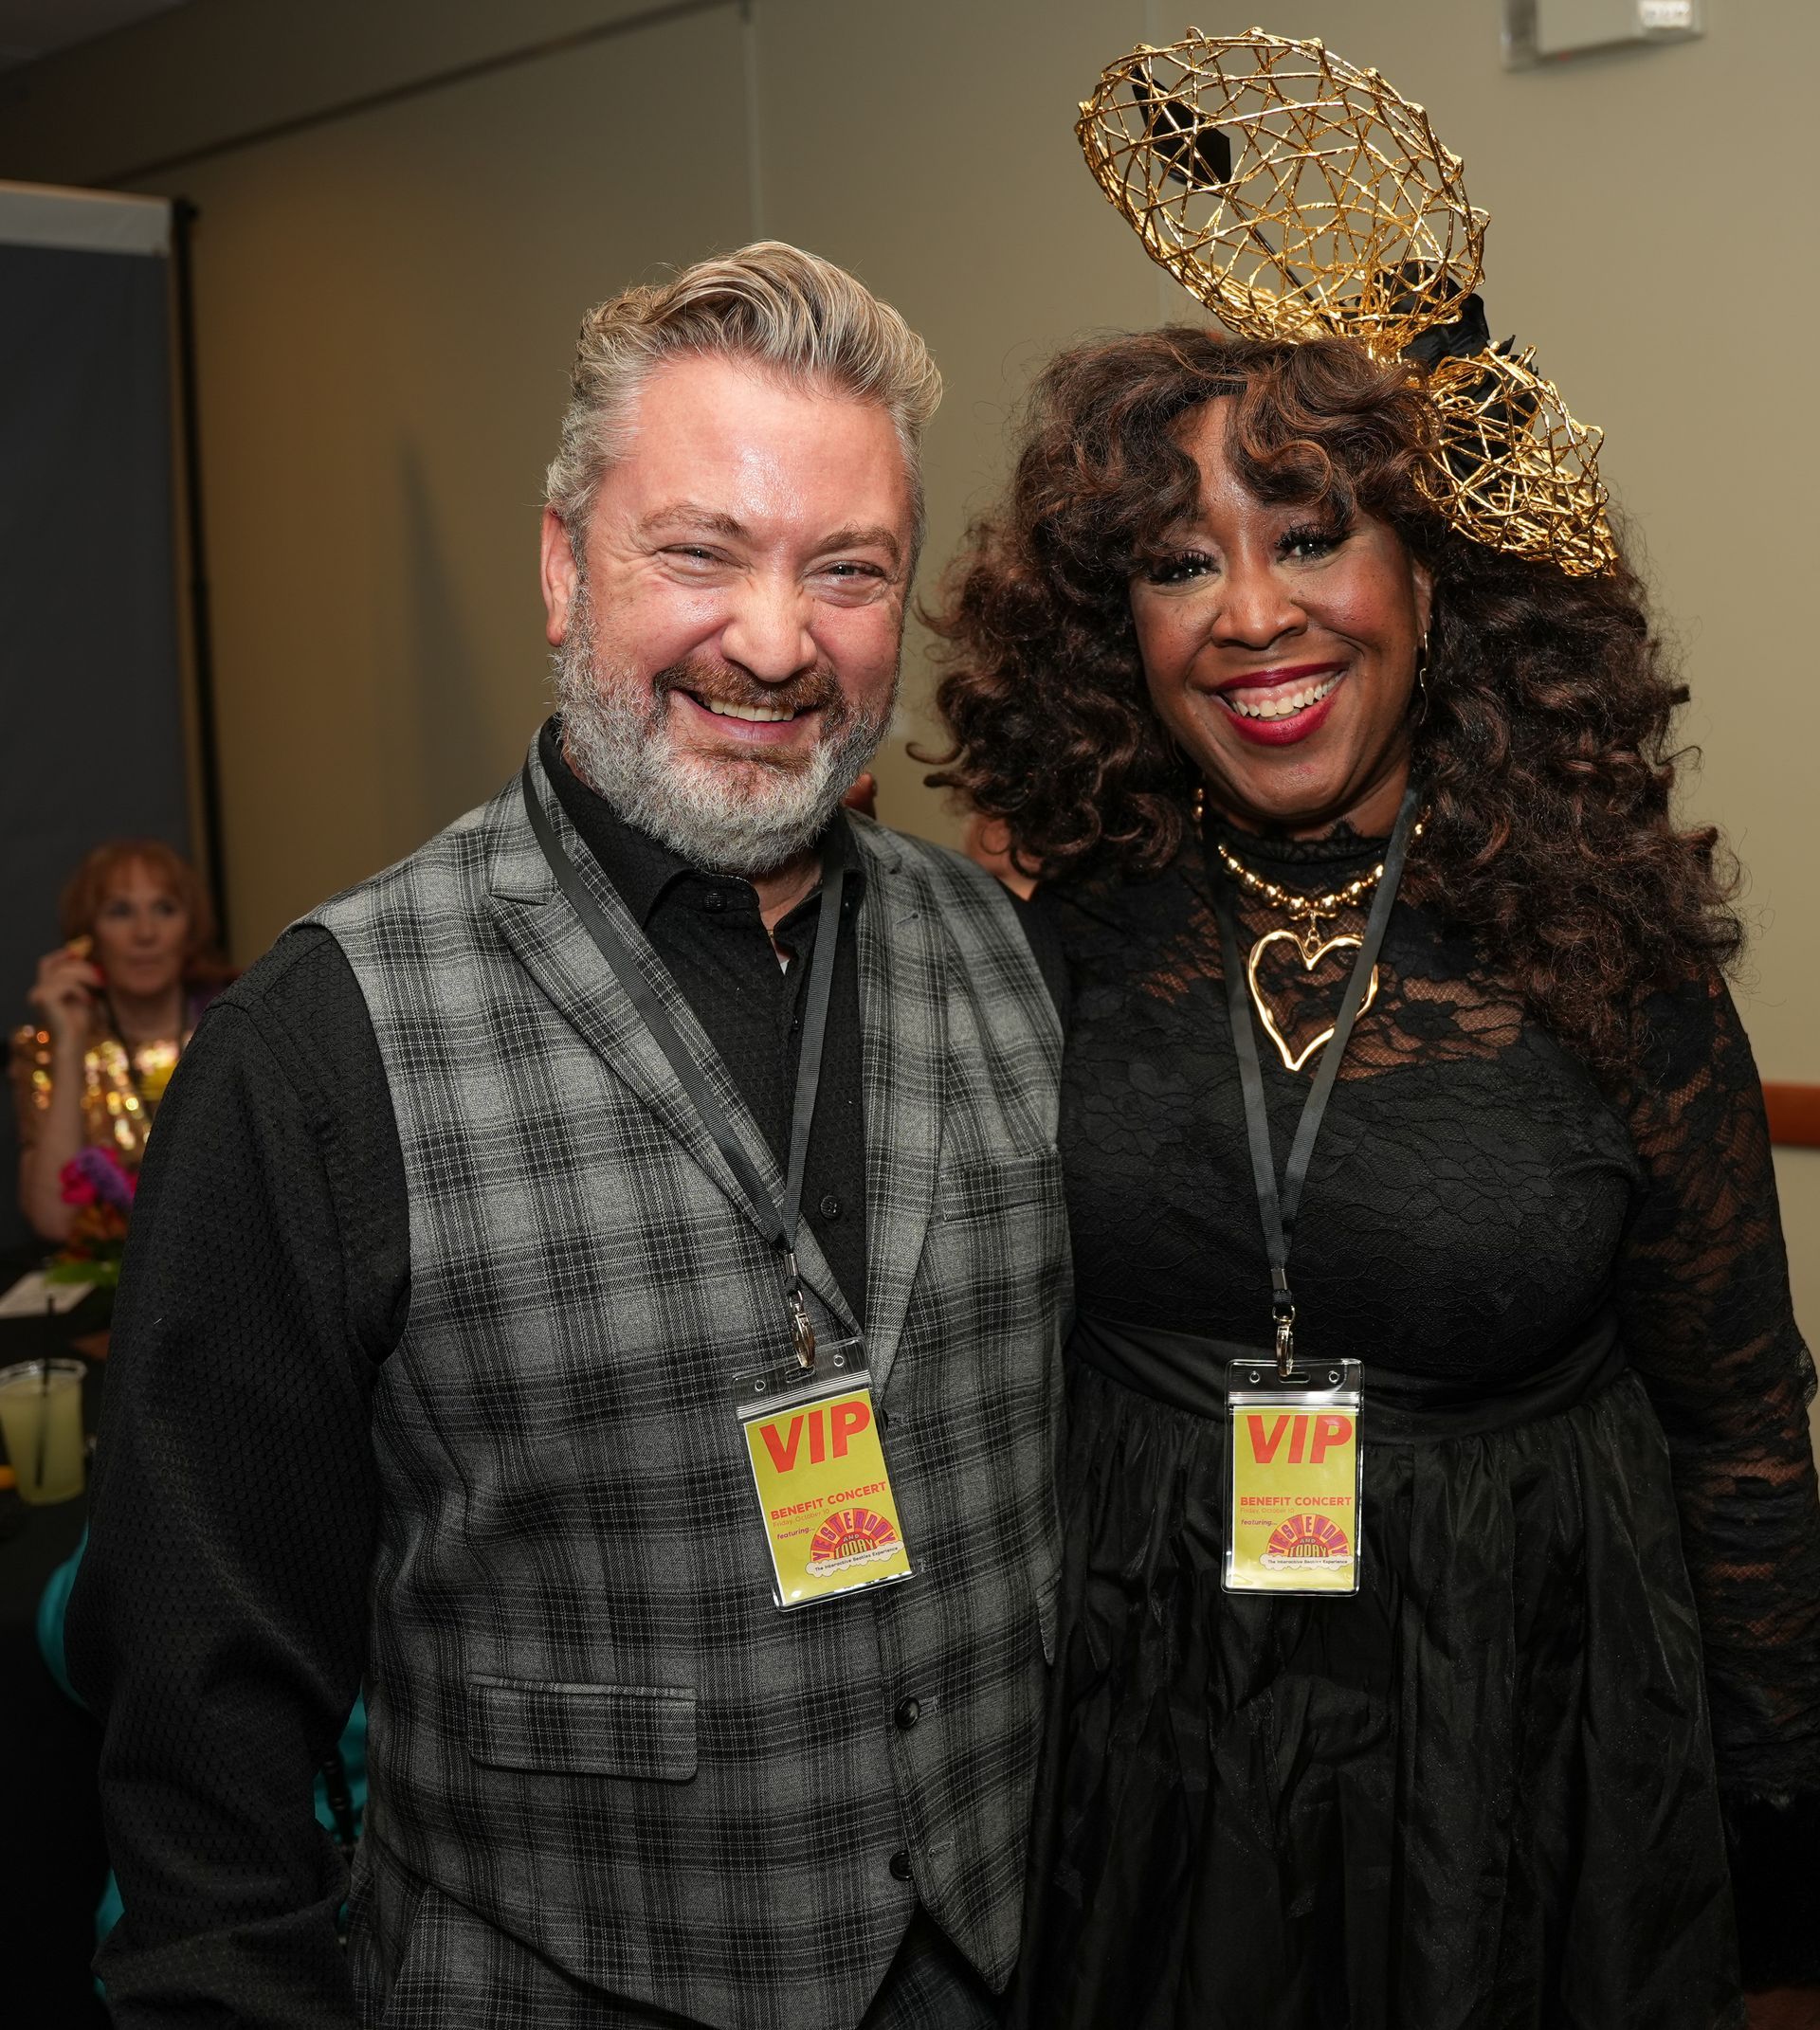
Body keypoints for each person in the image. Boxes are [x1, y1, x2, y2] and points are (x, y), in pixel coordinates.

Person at [67, 243, 1069, 2029]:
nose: (775, 641)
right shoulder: (321, 1047)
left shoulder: (1003, 955)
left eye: (846, 573)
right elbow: (206, 1706)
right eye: (699, 551)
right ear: (560, 563)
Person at [928, 32, 1820, 2030]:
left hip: (1522, 1748)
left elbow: (1745, 1427)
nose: (1252, 613)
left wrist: (1776, 1843)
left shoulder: (1609, 950)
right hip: (1135, 1748)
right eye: (1179, 563)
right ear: (1116, 625)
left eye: (1310, 531)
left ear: (1434, 571)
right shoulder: (1043, 923)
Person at [11, 840, 220, 1242]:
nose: (145, 933)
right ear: (86, 938)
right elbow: (55, 1222)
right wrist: (69, 1046)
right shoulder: (45, 1049)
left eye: (165, 909)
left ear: (190, 930)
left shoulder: (237, 1030)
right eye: (120, 911)